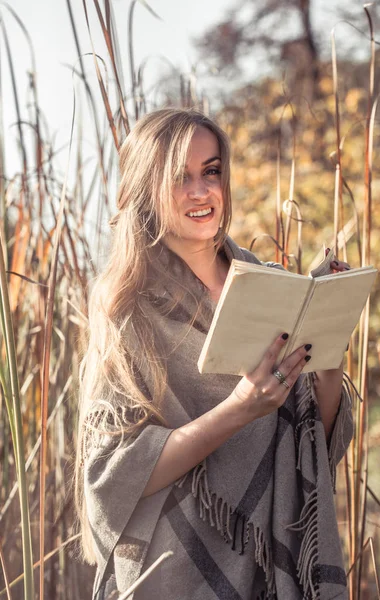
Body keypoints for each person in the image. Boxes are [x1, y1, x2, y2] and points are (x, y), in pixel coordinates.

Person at [75, 108, 353, 600]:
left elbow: (314, 436)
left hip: (275, 552)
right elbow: (112, 476)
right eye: (179, 177)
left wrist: (326, 333)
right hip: (175, 569)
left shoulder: (268, 284)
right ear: (147, 189)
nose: (200, 191)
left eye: (211, 171)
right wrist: (239, 409)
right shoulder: (127, 306)